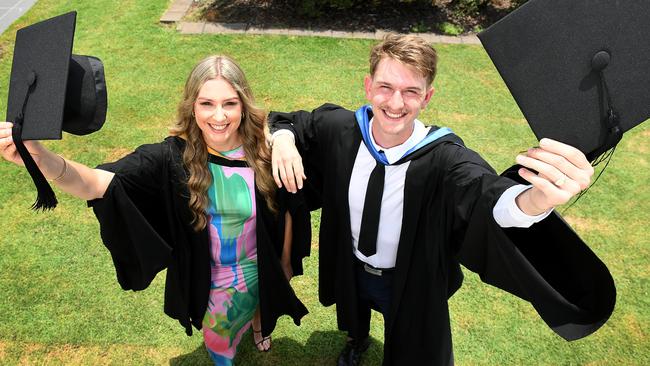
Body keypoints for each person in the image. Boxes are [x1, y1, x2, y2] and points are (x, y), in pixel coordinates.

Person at [268, 34, 615, 365]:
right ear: (368, 86)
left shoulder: (445, 157)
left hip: (407, 276)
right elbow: (292, 123)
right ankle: (357, 341)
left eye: (410, 91)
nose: (395, 103)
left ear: (427, 97)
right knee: (353, 312)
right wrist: (284, 139)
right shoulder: (340, 128)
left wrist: (536, 200)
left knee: (410, 340)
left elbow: (486, 196)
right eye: (385, 87)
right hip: (350, 261)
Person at [0, 55, 311, 365]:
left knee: (264, 308)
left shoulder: (264, 151)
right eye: (206, 104)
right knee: (221, 344)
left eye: (230, 103)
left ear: (243, 105)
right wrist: (39, 157)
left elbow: (290, 193)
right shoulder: (170, 158)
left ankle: (259, 327)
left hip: (261, 263)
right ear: (192, 105)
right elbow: (97, 183)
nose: (219, 116)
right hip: (214, 279)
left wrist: (284, 139)